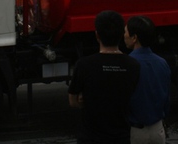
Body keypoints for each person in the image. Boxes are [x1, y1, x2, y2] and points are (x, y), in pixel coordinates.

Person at [68, 10, 141, 144]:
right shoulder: (133, 65)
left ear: (97, 35)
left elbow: (73, 102)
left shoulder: (84, 65)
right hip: (121, 138)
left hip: (90, 138)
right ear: (121, 35)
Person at [124, 15, 171, 144]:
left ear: (134, 38)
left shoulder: (127, 64)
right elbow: (166, 98)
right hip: (158, 130)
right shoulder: (162, 63)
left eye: (126, 32)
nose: (124, 35)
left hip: (136, 131)